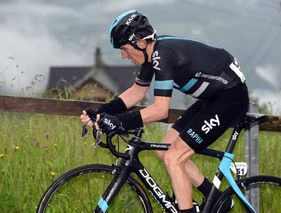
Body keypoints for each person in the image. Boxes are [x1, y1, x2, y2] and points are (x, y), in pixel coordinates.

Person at [80, 10, 249, 213]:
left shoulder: (162, 54)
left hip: (230, 98)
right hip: (212, 98)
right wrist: (101, 112)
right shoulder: (152, 53)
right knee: (164, 149)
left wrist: (120, 122)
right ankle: (219, 200)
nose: (123, 56)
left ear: (140, 43)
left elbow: (161, 110)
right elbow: (136, 92)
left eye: (124, 49)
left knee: (174, 157)